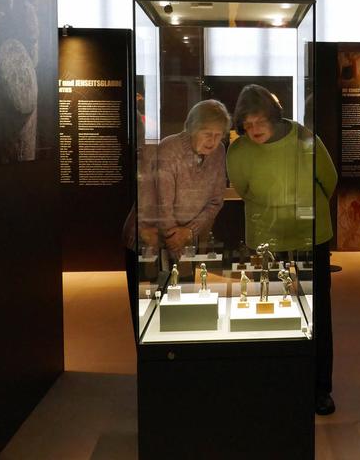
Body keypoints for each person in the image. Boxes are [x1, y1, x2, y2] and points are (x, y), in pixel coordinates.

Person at [226, 84, 338, 415]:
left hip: (310, 237)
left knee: (319, 315)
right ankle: (278, 382)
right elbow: (243, 190)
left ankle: (320, 387)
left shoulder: (305, 140)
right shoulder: (239, 151)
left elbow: (328, 181)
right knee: (268, 311)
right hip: (266, 240)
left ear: (274, 116)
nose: (254, 129)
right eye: (247, 124)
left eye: (259, 121)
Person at [138, 99, 231, 277]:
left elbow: (216, 200)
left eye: (218, 135)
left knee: (190, 290)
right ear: (192, 129)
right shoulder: (169, 148)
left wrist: (189, 231)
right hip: (156, 236)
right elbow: (162, 203)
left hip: (190, 238)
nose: (213, 141)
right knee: (157, 289)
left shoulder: (218, 151)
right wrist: (174, 239)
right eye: (207, 133)